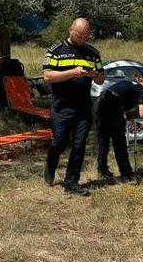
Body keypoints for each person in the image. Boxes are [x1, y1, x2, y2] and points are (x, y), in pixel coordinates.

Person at [42, 17, 104, 197]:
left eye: (85, 37)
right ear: (70, 30)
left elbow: (101, 79)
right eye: (78, 35)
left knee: (79, 144)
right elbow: (47, 76)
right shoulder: (56, 50)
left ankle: (72, 181)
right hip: (62, 105)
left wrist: (94, 75)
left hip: (84, 105)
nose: (81, 39)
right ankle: (50, 165)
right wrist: (73, 73)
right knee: (59, 141)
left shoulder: (92, 53)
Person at [93, 76, 143, 183]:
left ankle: (102, 170)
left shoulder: (125, 84)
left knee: (103, 140)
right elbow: (142, 113)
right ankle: (126, 174)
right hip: (112, 106)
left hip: (98, 104)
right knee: (119, 142)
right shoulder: (140, 89)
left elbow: (123, 107)